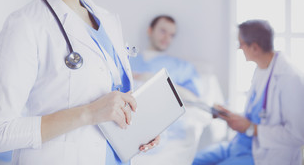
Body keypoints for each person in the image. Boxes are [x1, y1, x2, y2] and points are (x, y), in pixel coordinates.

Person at [0, 0, 158, 164]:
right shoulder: (24, 25)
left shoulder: (107, 20)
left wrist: (141, 127)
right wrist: (88, 113)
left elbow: (114, 101)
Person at [193, 19, 304, 165]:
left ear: (255, 48)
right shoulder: (261, 67)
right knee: (195, 161)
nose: (239, 48)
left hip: (265, 154)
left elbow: (297, 136)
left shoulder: (290, 78)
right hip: (242, 144)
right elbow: (257, 114)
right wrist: (230, 116)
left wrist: (252, 128)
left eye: (241, 44)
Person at [130, 15, 212, 165]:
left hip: (164, 130)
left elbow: (194, 101)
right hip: (128, 121)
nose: (167, 37)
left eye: (172, 35)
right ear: (150, 31)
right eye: (163, 31)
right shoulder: (128, 60)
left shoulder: (182, 67)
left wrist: (152, 79)